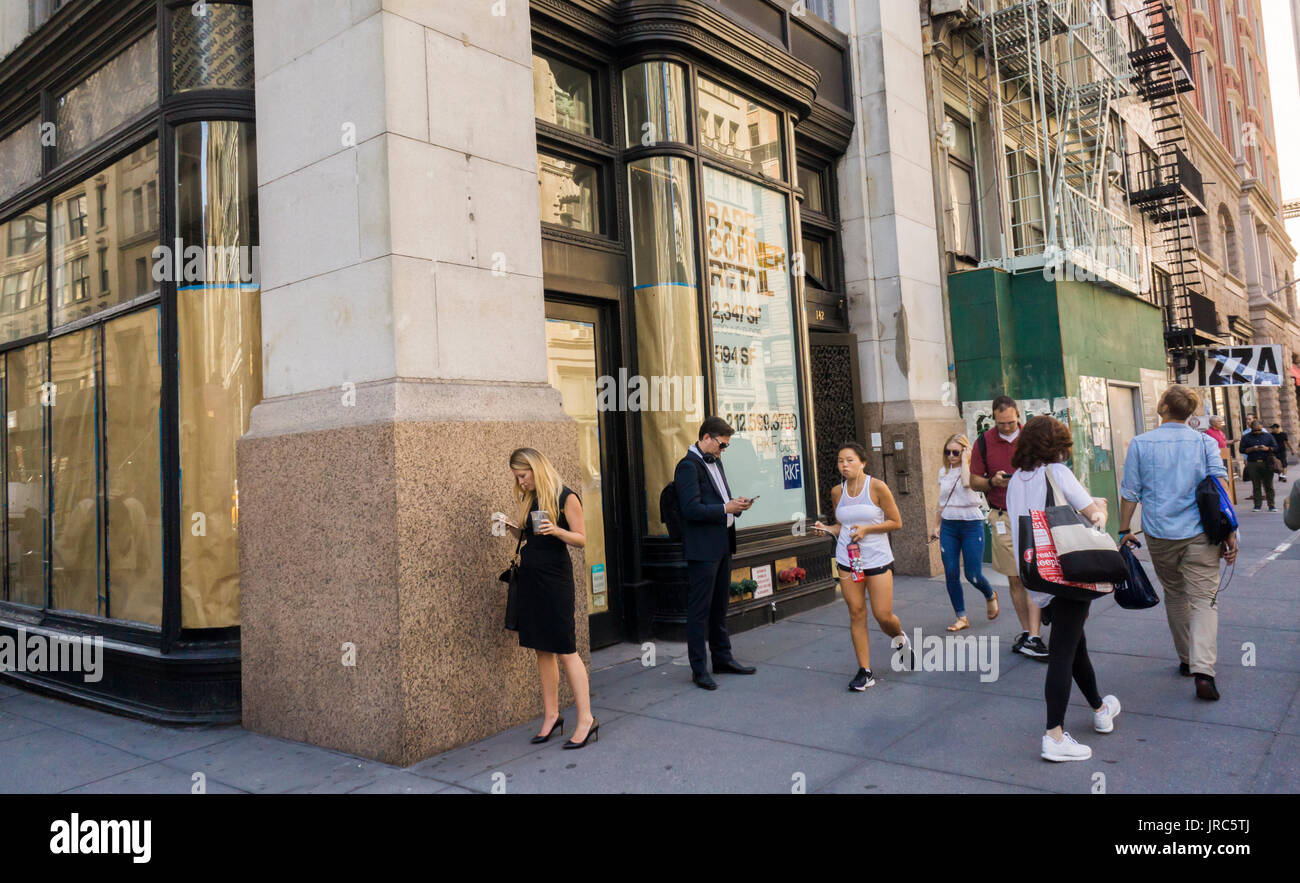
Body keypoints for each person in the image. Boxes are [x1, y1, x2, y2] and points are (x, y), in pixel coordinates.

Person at [1006, 417, 1119, 762]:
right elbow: (1094, 516)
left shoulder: (1014, 481)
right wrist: (1100, 508)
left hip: (1038, 573)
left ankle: (1100, 709)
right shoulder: (1058, 473)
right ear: (1056, 446)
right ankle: (1054, 735)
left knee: (1074, 645)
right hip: (1068, 571)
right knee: (1062, 652)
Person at [1118, 386, 1237, 702]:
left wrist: (1124, 528)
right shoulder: (1205, 442)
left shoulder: (1142, 444)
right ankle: (1203, 670)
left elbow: (1130, 491)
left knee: (1175, 593)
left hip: (1160, 533)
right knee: (1204, 600)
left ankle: (1186, 659)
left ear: (1165, 406)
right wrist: (1231, 529)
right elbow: (1219, 485)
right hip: (1201, 532)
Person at [502, 448, 598, 749]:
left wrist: (557, 530)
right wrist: (512, 527)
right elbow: (532, 536)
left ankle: (586, 719)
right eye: (517, 477)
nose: (520, 482)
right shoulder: (530, 498)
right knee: (541, 650)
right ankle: (552, 715)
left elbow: (582, 539)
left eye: (523, 475)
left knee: (566, 648)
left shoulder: (565, 496)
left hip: (555, 582)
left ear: (536, 468)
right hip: (531, 580)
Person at [814, 442, 912, 691]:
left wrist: (868, 529)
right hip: (848, 561)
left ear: (863, 462)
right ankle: (865, 670)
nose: (844, 465)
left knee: (883, 615)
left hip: (876, 559)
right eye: (840, 461)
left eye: (849, 460)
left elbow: (896, 522)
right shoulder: (838, 491)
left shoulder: (876, 487)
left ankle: (900, 640)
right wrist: (827, 530)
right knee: (856, 612)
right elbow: (842, 526)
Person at [674, 417, 757, 691]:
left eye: (726, 447)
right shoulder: (687, 466)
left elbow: (719, 499)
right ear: (707, 437)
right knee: (700, 610)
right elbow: (691, 509)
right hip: (702, 549)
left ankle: (722, 658)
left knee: (720, 606)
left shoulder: (714, 460)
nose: (723, 450)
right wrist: (725, 509)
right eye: (722, 445)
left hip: (722, 543)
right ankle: (699, 668)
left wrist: (735, 505)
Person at [969, 396, 1047, 658]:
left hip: (1034, 515)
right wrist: (992, 482)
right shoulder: (983, 442)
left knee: (1033, 575)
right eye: (1001, 423)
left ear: (1019, 416)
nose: (1007, 427)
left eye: (1011, 422)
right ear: (993, 418)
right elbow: (974, 481)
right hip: (1002, 515)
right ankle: (1028, 632)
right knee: (1016, 578)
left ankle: (1035, 635)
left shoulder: (1032, 437)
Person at [928, 434, 999, 632]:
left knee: (972, 574)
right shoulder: (944, 471)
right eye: (947, 452)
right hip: (949, 526)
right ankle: (961, 616)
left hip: (971, 525)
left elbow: (968, 483)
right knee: (951, 572)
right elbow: (942, 502)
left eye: (956, 452)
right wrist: (936, 525)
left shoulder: (974, 472)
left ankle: (990, 594)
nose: (951, 456)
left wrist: (967, 460)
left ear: (965, 451)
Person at [1240, 419, 1278, 512]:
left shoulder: (1268, 436)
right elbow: (1241, 450)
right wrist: (1252, 448)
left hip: (1266, 462)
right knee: (1256, 485)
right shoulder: (1246, 437)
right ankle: (1257, 505)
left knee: (1268, 485)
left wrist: (1267, 448)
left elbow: (1276, 448)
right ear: (1251, 428)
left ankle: (1271, 505)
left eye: (1259, 430)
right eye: (1255, 430)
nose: (1257, 432)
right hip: (1253, 462)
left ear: (1262, 427)